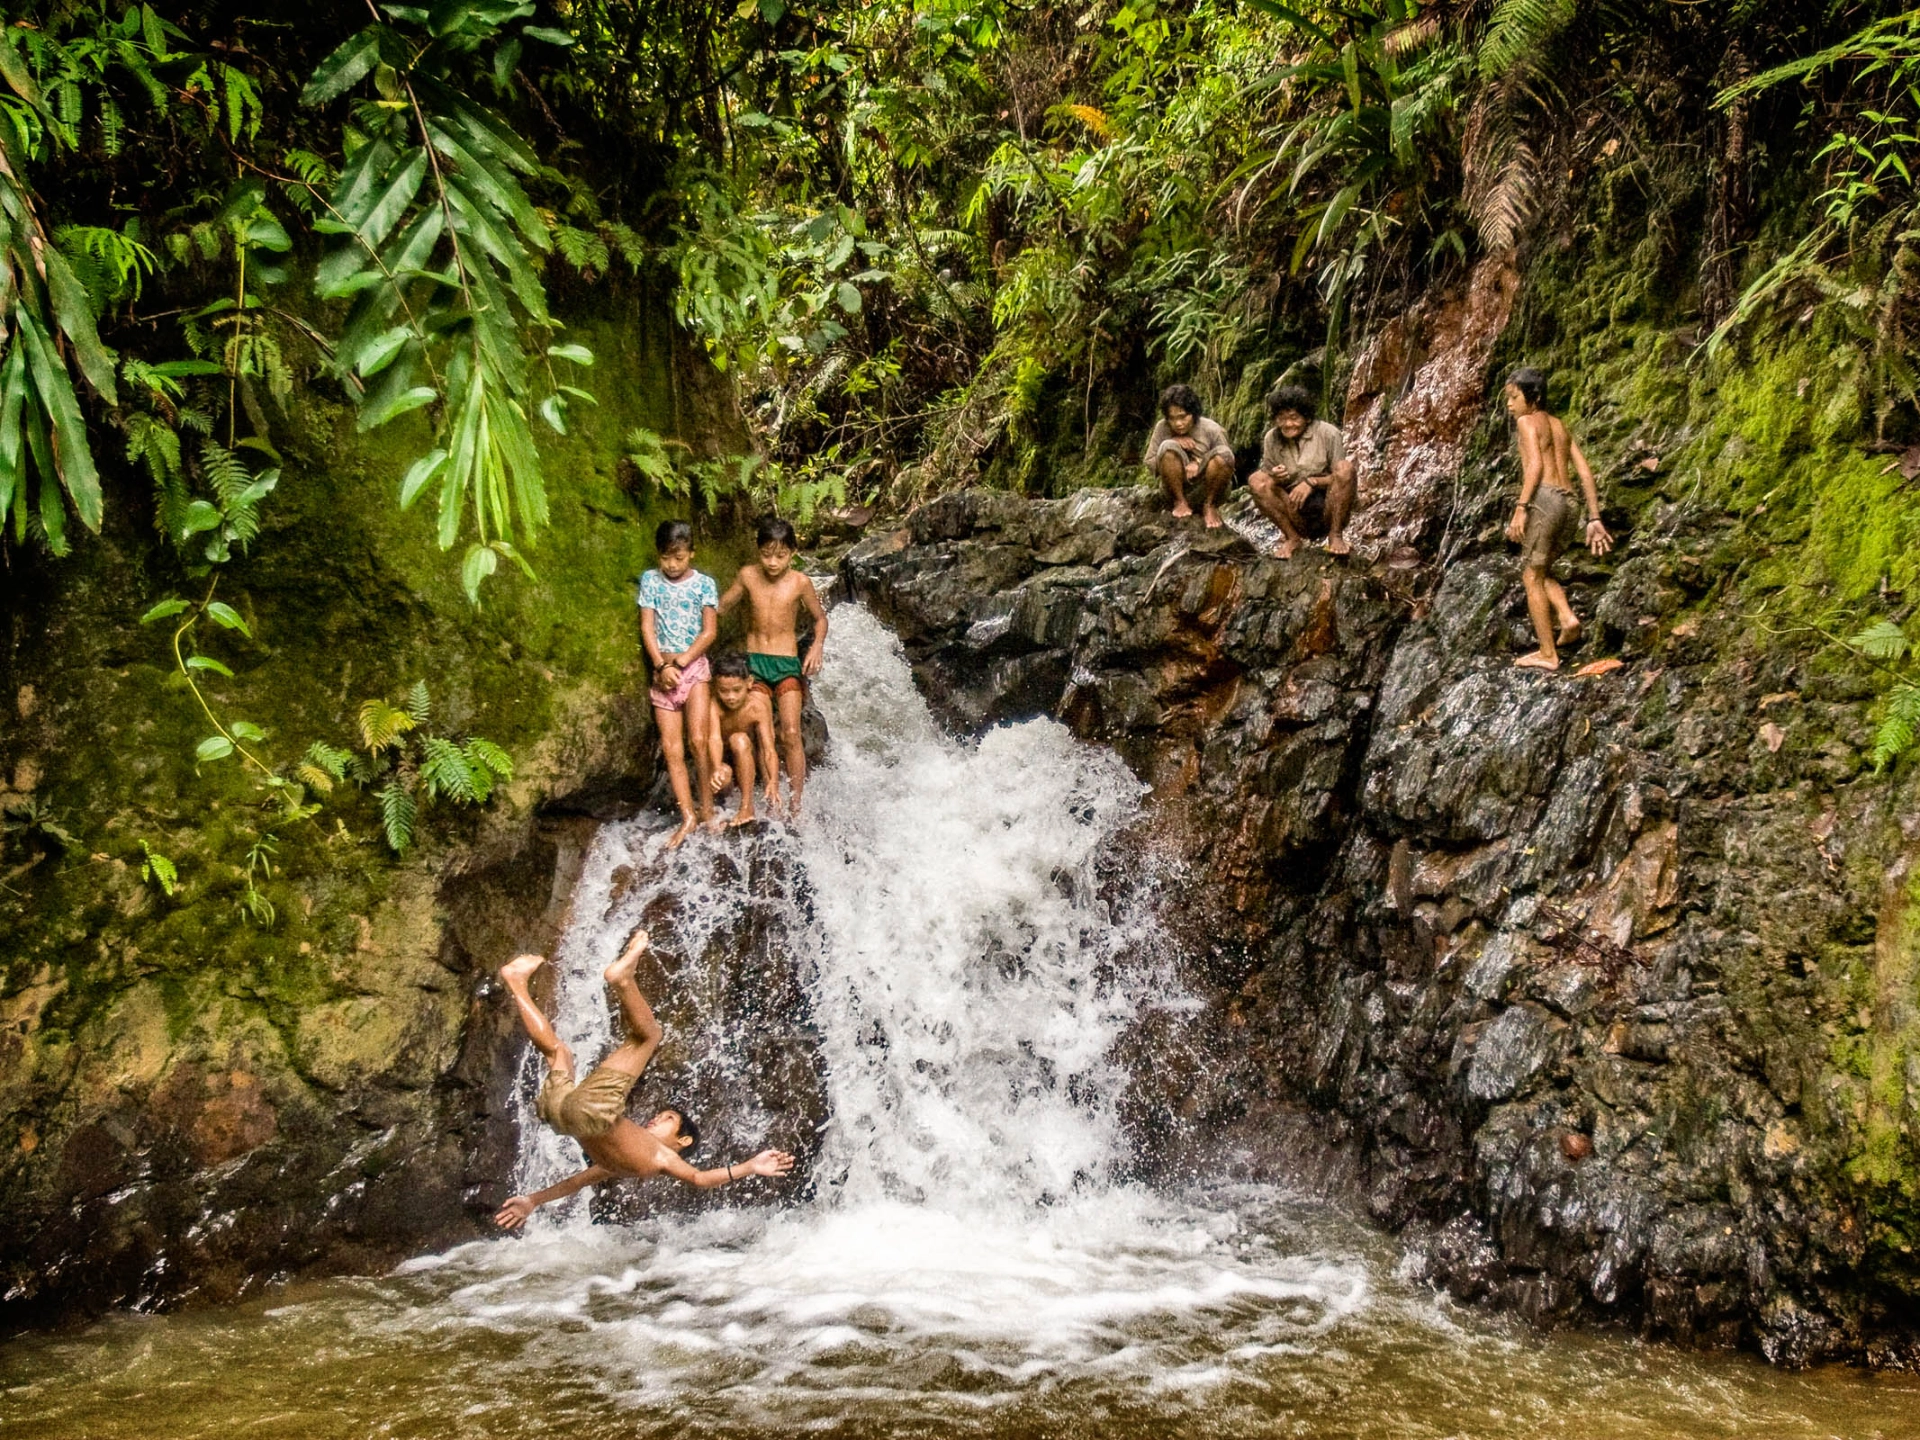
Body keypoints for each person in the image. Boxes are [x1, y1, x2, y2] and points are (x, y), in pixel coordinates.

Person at [492, 927, 795, 1229]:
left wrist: (750, 1166)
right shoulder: (614, 1167)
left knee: (650, 1036)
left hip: (590, 1111)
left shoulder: (664, 1156)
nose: (654, 1119)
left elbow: (699, 1178)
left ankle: (622, 980)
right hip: (559, 1115)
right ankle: (517, 982)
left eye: (668, 1119)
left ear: (683, 1140)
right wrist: (532, 1200)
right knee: (559, 1052)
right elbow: (574, 1183)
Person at [1501, 367, 1613, 671]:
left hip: (1546, 499)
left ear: (1533, 397)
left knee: (1530, 577)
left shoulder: (1527, 423)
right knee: (1540, 567)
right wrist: (1594, 517)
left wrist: (1521, 508)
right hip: (1570, 503)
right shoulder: (1560, 426)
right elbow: (1585, 472)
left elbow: (1535, 467)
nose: (1510, 405)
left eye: (1513, 397)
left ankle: (1548, 653)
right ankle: (1567, 619)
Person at [718, 517, 828, 818]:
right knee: (758, 731)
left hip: (786, 663)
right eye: (767, 554)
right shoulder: (748, 576)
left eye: (781, 555)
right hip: (755, 662)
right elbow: (721, 607)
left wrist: (817, 646)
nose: (773, 562)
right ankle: (765, 794)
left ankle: (795, 801)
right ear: (758, 551)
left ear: (793, 553)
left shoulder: (800, 583)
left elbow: (820, 618)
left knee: (790, 733)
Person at [638, 520, 720, 847]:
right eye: (666, 558)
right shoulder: (650, 581)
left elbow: (710, 631)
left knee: (698, 741)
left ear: (691, 554)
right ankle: (687, 815)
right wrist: (661, 666)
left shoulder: (704, 584)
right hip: (662, 672)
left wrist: (681, 662)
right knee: (672, 749)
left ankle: (708, 808)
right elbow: (647, 628)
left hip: (693, 667)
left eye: (679, 558)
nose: (672, 565)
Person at [1246, 383, 1357, 559]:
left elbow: (1342, 477)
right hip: (1294, 509)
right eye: (1282, 418)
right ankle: (1292, 538)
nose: (1288, 424)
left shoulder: (1328, 433)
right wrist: (1274, 476)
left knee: (1346, 468)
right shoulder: (1271, 438)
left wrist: (1312, 482)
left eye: (1294, 417)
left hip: (1328, 506)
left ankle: (1335, 536)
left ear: (1306, 418)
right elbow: (1267, 482)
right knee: (1256, 480)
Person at [1141, 383, 1234, 528]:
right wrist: (1173, 442)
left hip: (1207, 488)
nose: (1178, 423)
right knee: (1167, 447)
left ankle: (1209, 506)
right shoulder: (1162, 428)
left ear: (1193, 413)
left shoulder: (1212, 429)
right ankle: (1180, 502)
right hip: (1174, 490)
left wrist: (1198, 462)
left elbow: (1227, 462)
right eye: (1172, 418)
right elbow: (1150, 462)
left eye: (1183, 417)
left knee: (1224, 453)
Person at [705, 651, 781, 827]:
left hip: (746, 758)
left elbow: (769, 749)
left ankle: (747, 806)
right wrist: (716, 768)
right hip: (724, 765)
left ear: (749, 683)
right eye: (724, 691)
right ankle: (716, 808)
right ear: (715, 688)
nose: (731, 697)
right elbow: (714, 738)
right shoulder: (714, 706)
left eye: (736, 690)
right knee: (723, 776)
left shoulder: (757, 708)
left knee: (739, 739)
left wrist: (773, 781)